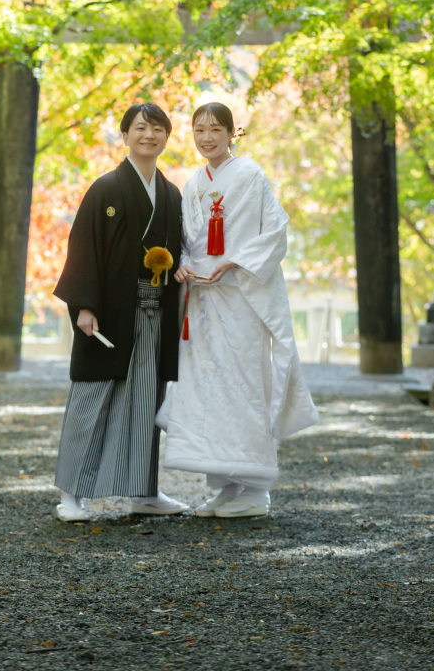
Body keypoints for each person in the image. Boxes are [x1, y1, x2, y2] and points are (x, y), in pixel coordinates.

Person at [158, 102, 319, 518]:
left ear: (233, 133)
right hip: (205, 298)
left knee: (244, 383)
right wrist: (183, 264)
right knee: (209, 388)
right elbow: (185, 240)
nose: (207, 137)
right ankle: (226, 486)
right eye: (199, 130)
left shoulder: (249, 175)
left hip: (242, 296)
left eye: (215, 129)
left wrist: (235, 261)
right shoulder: (193, 183)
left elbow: (275, 230)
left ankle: (255, 489)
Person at [52, 102, 187, 521]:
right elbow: (84, 249)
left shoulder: (170, 193)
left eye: (158, 129)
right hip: (109, 310)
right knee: (94, 395)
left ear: (166, 137)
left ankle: (143, 492)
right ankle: (71, 495)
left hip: (153, 311)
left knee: (145, 399)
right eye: (141, 128)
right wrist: (84, 305)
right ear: (125, 135)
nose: (149, 135)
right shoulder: (106, 188)